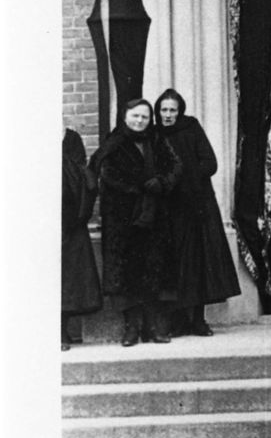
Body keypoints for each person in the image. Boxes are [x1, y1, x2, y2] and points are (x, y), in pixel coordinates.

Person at [153, 90, 241, 336]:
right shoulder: (155, 134)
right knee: (176, 263)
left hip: (197, 205)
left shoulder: (191, 128)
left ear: (180, 110)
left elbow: (209, 162)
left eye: (172, 110)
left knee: (199, 262)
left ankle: (199, 320)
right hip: (169, 207)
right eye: (163, 110)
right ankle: (178, 320)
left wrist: (183, 178)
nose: (168, 115)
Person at [97, 98, 181, 346]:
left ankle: (153, 327)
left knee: (153, 271)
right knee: (127, 273)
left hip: (154, 217)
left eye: (144, 116)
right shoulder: (114, 142)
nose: (140, 121)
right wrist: (136, 188)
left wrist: (163, 182)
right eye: (135, 116)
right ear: (125, 117)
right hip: (123, 218)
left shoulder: (157, 141)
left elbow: (176, 166)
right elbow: (107, 173)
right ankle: (131, 328)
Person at [61, 127, 102, 349]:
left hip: (70, 218)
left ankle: (62, 331)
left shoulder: (72, 138)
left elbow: (80, 172)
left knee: (69, 277)